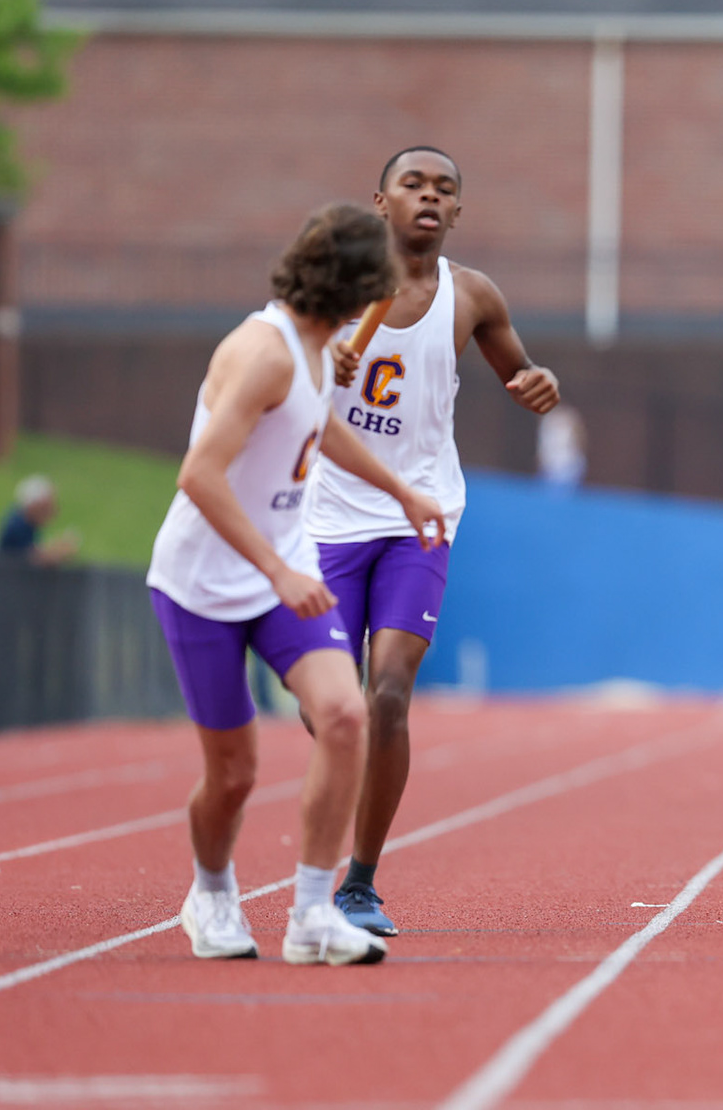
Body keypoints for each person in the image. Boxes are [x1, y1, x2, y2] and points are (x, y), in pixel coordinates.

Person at [146, 203, 446, 966]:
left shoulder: (319, 349)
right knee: (235, 773)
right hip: (205, 583)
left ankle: (313, 915)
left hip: (282, 576)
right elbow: (199, 475)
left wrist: (402, 490)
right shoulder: (266, 352)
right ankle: (211, 893)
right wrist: (276, 568)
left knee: (346, 716)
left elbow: (321, 427)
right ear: (351, 286)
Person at [304, 146, 560, 938]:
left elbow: (521, 376)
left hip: (421, 518)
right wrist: (322, 361)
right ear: (379, 201)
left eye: (443, 189)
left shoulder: (471, 296)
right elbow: (274, 374)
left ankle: (360, 881)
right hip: (327, 517)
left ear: (457, 213)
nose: (428, 197)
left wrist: (538, 387)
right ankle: (337, 815)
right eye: (412, 184)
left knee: (387, 696)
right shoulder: (333, 287)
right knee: (333, 708)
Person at [0, 475, 78, 564]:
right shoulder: (18, 524)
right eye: (46, 507)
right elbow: (35, 559)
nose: (52, 512)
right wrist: (58, 552)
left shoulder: (27, 523)